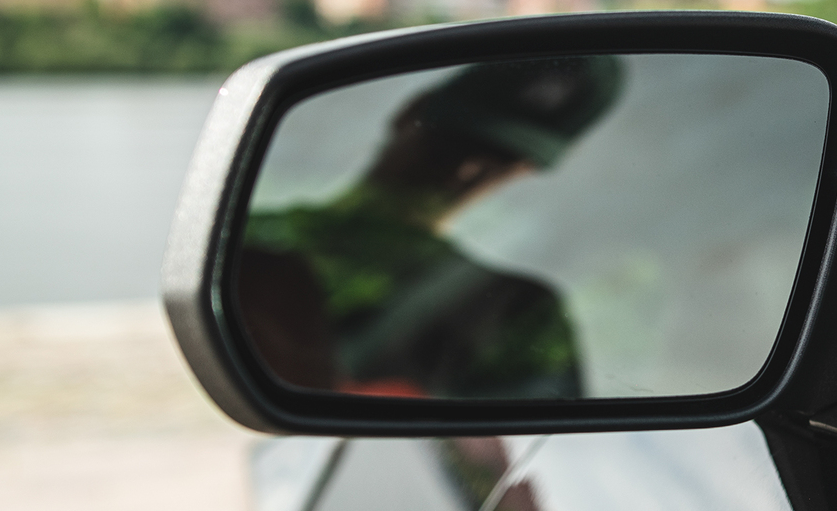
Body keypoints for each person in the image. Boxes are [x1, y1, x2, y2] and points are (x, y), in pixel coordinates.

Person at [240, 54, 624, 400]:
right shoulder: (516, 309)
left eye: (499, 158)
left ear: (526, 171)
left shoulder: (520, 309)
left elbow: (528, 440)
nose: (466, 168)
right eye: (455, 139)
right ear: (409, 112)